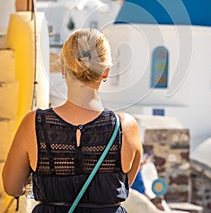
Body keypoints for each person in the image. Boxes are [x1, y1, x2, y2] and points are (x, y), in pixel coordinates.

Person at [2, 28, 142, 212]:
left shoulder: (34, 123)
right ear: (105, 72)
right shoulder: (125, 127)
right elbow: (123, 185)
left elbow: (12, 187)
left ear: (63, 69)